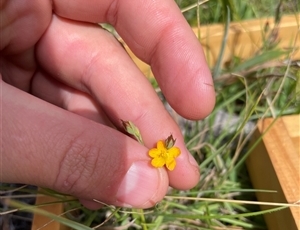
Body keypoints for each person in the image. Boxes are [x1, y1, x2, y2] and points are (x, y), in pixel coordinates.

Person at [0, 0, 215, 209]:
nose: (163, 154)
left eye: (164, 154)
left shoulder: (165, 155)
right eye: (163, 153)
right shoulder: (158, 155)